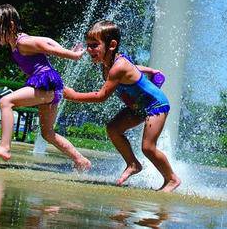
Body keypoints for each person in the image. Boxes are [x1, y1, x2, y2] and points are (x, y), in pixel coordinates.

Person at [63, 20, 181, 192]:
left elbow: (101, 96)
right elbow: (132, 67)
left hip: (155, 105)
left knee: (148, 147)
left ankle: (172, 179)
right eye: (88, 45)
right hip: (138, 106)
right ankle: (133, 163)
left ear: (111, 45)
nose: (89, 50)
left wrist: (73, 95)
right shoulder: (108, 62)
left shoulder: (118, 67)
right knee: (113, 128)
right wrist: (150, 70)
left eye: (94, 45)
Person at [0, 4, 91, 170]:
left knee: (6, 102)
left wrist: (73, 55)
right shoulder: (19, 42)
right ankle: (81, 160)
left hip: (45, 83)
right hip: (49, 87)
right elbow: (45, 40)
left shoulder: (22, 42)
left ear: (10, 26)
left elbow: (44, 46)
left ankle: (5, 147)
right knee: (47, 133)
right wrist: (64, 49)